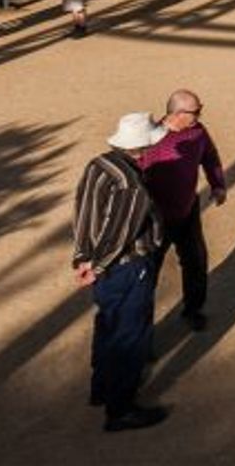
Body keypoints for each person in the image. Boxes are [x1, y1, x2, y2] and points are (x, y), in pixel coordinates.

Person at [72, 112, 170, 433]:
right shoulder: (132, 186)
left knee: (107, 324)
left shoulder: (98, 165)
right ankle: (121, 409)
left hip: (101, 266)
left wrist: (83, 256)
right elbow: (121, 233)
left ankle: (100, 388)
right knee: (131, 335)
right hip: (128, 267)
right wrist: (99, 265)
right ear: (142, 148)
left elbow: (83, 212)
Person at [140, 89, 228, 332]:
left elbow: (210, 157)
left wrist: (218, 184)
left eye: (201, 109)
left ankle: (193, 310)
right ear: (177, 113)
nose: (199, 115)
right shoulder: (149, 139)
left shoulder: (198, 131)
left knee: (196, 262)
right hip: (156, 219)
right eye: (196, 111)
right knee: (148, 276)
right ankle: (142, 331)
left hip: (187, 211)